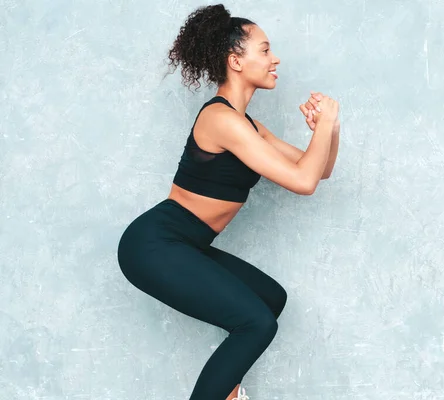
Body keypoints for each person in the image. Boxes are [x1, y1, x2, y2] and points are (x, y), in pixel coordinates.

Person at [116, 4, 340, 400]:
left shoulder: (248, 125)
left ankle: (227, 390)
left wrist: (330, 130)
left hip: (184, 244)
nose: (276, 59)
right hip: (153, 244)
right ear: (236, 61)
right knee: (256, 324)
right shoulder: (222, 121)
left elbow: (317, 171)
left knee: (270, 300)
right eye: (265, 50)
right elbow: (303, 182)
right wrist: (323, 126)